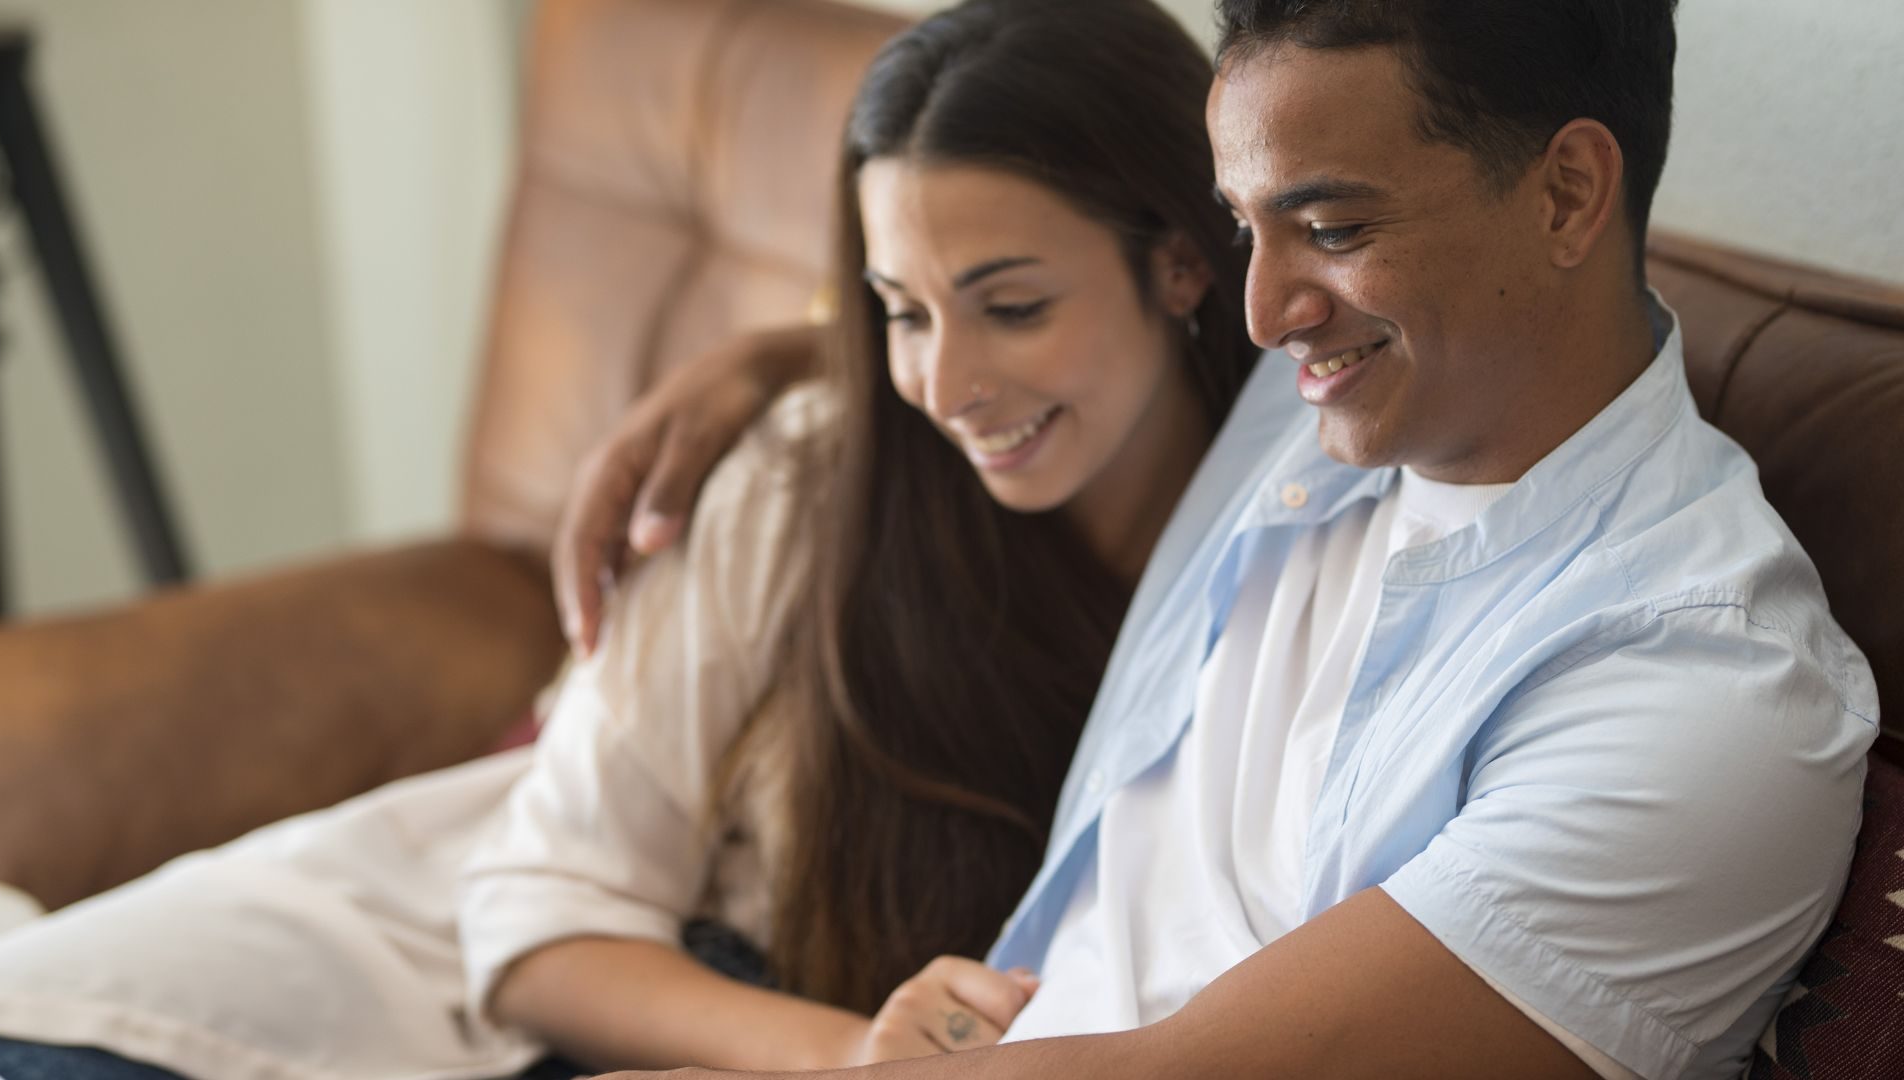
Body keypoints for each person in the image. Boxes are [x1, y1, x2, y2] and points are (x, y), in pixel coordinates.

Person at [571, 2, 1879, 1078]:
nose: (1258, 314)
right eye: (1242, 226)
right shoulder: (1349, 386)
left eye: (1331, 227)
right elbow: (1016, 331)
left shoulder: (1702, 693)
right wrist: (792, 365)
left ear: (1568, 194)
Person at [0, 2, 1260, 1078]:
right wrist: (864, 1060)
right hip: (270, 1018)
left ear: (1184, 265)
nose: (948, 382)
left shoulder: (1304, 510)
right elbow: (544, 921)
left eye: (1014, 307)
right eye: (898, 312)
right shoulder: (802, 477)